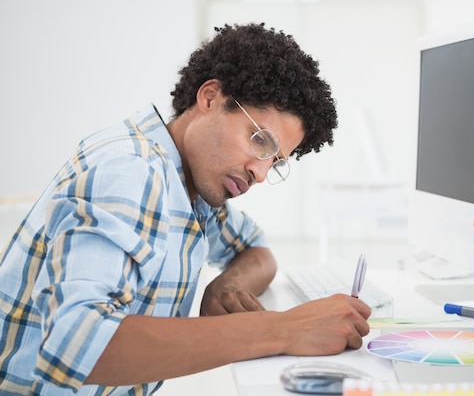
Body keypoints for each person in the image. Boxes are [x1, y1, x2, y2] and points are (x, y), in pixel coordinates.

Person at [0, 23, 371, 395]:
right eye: (259, 140)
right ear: (210, 97)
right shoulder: (132, 170)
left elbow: (256, 249)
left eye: (275, 161)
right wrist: (284, 329)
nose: (259, 173)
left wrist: (226, 287)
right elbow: (76, 345)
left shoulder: (193, 184)